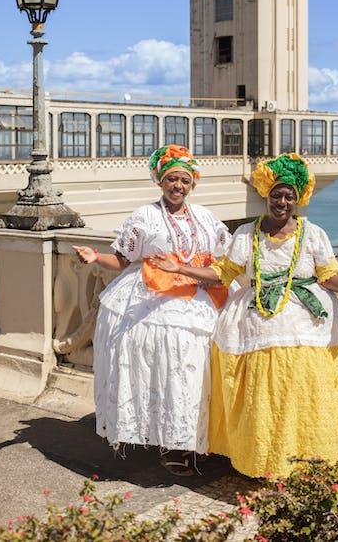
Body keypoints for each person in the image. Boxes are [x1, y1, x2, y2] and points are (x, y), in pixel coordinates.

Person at [151, 153, 338, 477]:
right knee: (266, 397)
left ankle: (311, 461)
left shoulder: (313, 233)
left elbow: (329, 275)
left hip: (308, 319)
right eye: (277, 194)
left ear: (297, 199)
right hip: (257, 317)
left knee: (303, 391)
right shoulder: (247, 234)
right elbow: (223, 274)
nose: (283, 201)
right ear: (267, 195)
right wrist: (180, 267)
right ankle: (267, 460)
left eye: (289, 196)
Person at [73, 144, 230, 476]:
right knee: (159, 367)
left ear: (192, 184)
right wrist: (95, 257)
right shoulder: (144, 217)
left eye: (184, 181)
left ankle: (193, 438)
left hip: (199, 297)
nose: (178, 187)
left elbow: (226, 256)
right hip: (152, 298)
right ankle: (169, 442)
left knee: (194, 369)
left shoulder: (205, 217)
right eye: (172, 179)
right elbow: (122, 259)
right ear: (160, 181)